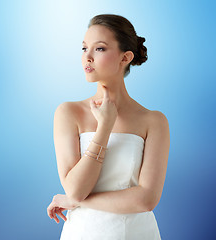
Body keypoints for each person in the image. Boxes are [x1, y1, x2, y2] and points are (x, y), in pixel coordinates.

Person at [46, 14, 170, 239]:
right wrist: (104, 127)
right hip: (82, 233)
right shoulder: (68, 113)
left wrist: (76, 202)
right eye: (84, 48)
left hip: (136, 233)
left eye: (100, 49)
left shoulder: (154, 121)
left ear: (126, 57)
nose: (88, 57)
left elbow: (146, 199)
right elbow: (75, 189)